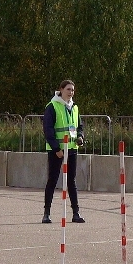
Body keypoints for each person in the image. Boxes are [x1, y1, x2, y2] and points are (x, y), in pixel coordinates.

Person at [43, 80, 86, 224]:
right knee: (53, 180)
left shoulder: (74, 107)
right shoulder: (52, 107)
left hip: (72, 148)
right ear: (61, 90)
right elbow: (48, 130)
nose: (71, 92)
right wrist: (56, 148)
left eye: (73, 90)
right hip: (57, 150)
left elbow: (79, 126)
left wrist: (80, 137)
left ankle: (76, 213)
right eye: (68, 89)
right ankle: (46, 213)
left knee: (71, 181)